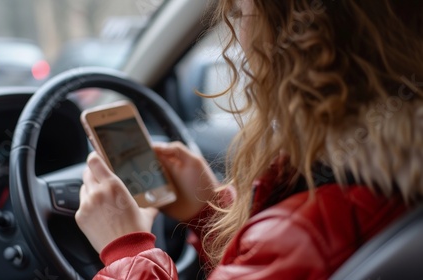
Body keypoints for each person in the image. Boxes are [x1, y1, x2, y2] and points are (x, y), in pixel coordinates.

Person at [75, 0, 423, 279]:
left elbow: (285, 251)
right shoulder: (380, 183)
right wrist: (210, 212)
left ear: (305, 41)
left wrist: (126, 249)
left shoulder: (300, 236)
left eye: (241, 13)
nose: (238, 42)